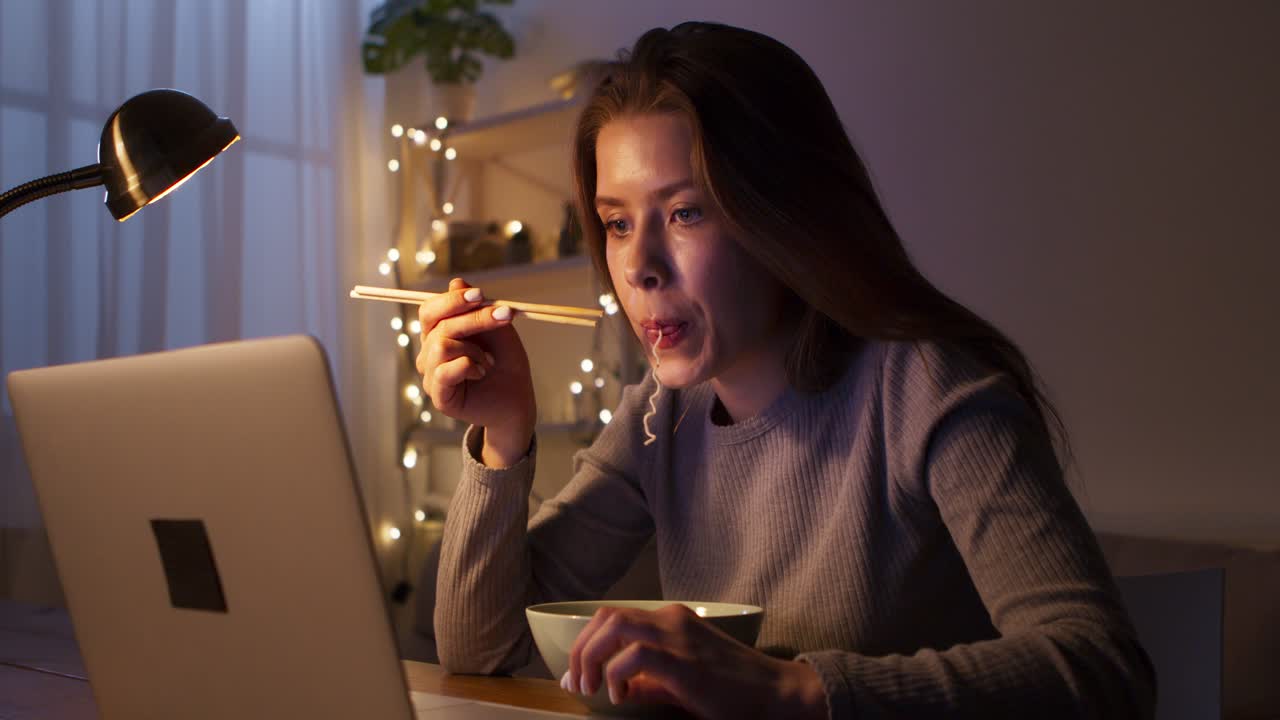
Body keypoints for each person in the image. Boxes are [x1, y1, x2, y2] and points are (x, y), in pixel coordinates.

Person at [415, 21, 1155, 720]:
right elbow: (484, 652)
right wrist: (502, 430)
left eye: (686, 212)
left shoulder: (928, 390)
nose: (637, 266)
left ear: (782, 214)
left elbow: (1102, 671)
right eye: (616, 223)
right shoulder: (659, 417)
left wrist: (794, 692)